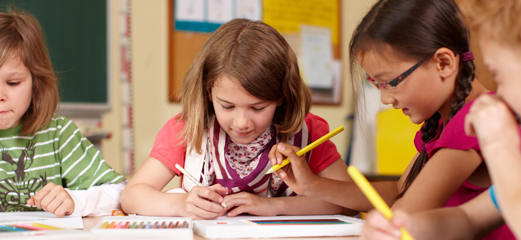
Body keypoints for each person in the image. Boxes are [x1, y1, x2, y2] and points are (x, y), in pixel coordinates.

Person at [269, 0, 516, 239]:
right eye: (376, 84)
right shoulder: (448, 121)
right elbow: (399, 191)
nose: (385, 98)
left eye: (390, 82)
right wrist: (310, 185)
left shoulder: (476, 121)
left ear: (443, 63)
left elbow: (404, 212)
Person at [361, 0, 521, 239]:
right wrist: (403, 227)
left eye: (499, 76)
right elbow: (468, 218)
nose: (500, 95)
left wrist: (499, 146)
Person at [120, 18, 355, 220]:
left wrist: (276, 207)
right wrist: (180, 204)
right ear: (208, 91)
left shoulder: (308, 131)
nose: (242, 122)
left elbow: (349, 201)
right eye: (227, 106)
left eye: (257, 107)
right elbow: (132, 196)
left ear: (282, 96)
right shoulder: (187, 129)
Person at [0, 7, 126, 221]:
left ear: (36, 81)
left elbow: (120, 192)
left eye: (13, 82)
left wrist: (76, 200)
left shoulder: (58, 133)